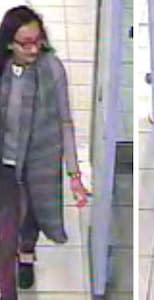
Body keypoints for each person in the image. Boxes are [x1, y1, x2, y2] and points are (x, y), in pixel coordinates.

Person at [0, 6, 88, 300]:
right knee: (5, 235)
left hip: (40, 160)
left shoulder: (52, 68)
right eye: (25, 43)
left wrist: (74, 174)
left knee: (32, 217)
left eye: (37, 41)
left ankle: (27, 253)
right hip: (6, 164)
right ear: (9, 42)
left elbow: (65, 121)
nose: (34, 49)